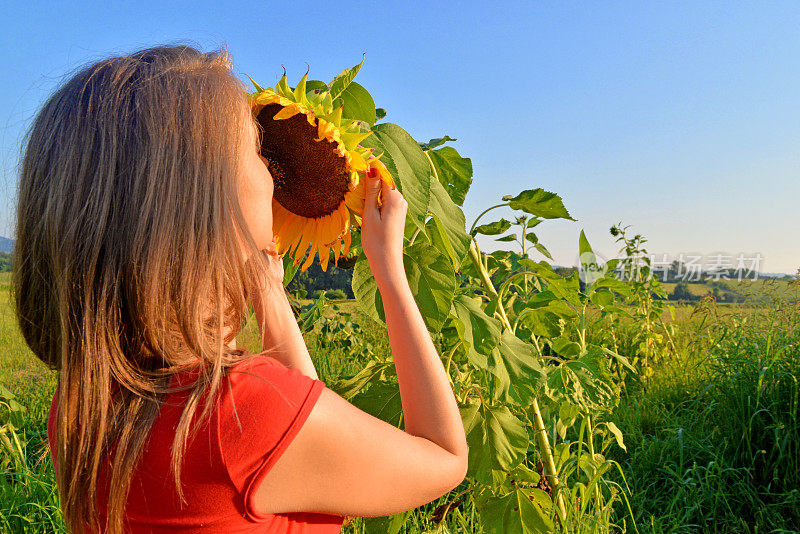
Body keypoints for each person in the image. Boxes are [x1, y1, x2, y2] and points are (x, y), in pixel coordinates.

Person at [12, 44, 468, 533]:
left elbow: (296, 415)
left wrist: (262, 284)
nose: (272, 169)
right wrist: (390, 272)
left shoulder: (84, 402)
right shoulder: (243, 416)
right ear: (206, 202)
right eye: (255, 148)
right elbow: (444, 457)